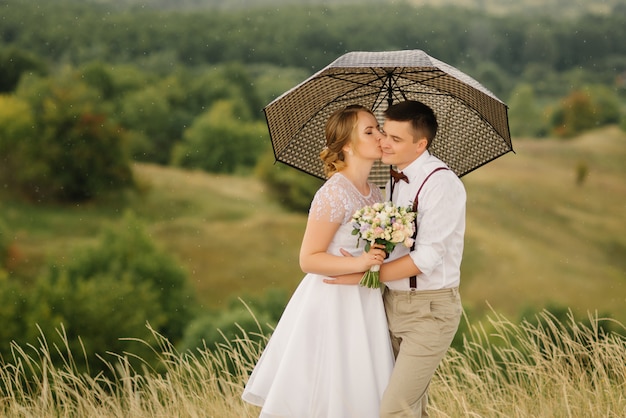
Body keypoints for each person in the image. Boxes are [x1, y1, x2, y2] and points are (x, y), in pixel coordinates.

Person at [242, 104, 394, 417]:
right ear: (348, 146)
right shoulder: (333, 192)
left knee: (361, 390)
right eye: (370, 131)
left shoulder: (376, 194)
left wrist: (377, 259)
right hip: (333, 302)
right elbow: (309, 259)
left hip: (365, 302)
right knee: (327, 389)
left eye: (378, 129)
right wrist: (360, 263)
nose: (380, 136)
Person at [325, 100, 466, 417]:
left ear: (421, 144)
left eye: (395, 139)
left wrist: (361, 276)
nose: (383, 142)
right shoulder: (390, 180)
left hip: (429, 310)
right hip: (389, 304)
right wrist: (364, 255)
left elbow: (426, 257)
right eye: (384, 133)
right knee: (405, 406)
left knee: (393, 409)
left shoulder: (442, 184)